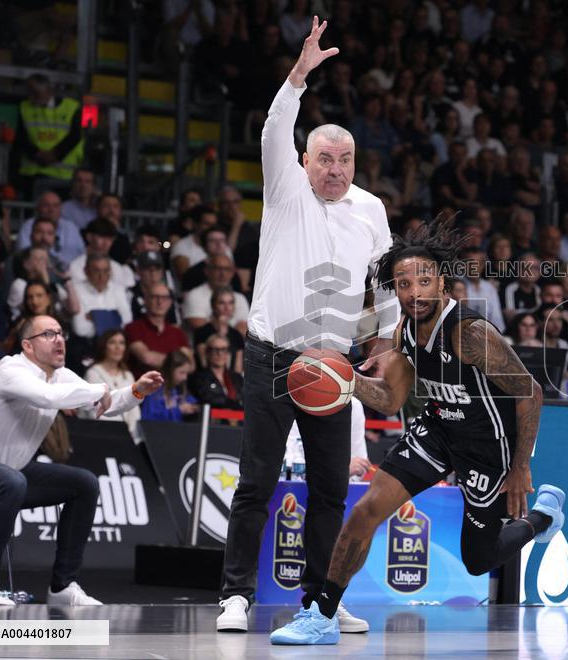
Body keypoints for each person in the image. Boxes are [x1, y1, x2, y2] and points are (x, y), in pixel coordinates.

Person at [269, 217, 565, 646]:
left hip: (488, 447)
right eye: (404, 283)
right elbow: (391, 399)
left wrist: (520, 467)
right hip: (439, 428)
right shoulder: (405, 331)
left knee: (478, 560)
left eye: (423, 280)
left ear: (442, 282)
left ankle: (542, 519)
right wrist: (345, 381)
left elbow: (531, 392)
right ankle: (322, 614)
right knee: (366, 511)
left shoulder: (470, 333)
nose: (413, 291)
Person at [216, 17, 398, 636]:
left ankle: (320, 600)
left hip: (333, 366)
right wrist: (298, 75)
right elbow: (273, 126)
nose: (336, 168)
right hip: (271, 357)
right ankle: (235, 596)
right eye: (325, 158)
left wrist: (391, 338)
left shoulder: (370, 209)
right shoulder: (285, 187)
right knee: (257, 482)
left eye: (346, 159)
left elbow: (389, 280)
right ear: (304, 160)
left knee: (328, 490)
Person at [0, 315, 162, 605]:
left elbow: (105, 404)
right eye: (48, 334)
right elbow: (47, 398)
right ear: (28, 346)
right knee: (10, 481)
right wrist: (100, 389)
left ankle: (63, 587)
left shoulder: (61, 377)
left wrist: (136, 391)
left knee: (83, 484)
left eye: (61, 333)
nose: (59, 339)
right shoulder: (10, 369)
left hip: (9, 471)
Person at [15, 74, 83, 189]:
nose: (31, 98)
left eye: (35, 93)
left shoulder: (72, 107)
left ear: (49, 91)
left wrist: (55, 154)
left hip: (63, 175)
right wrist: (36, 153)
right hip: (32, 173)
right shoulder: (24, 107)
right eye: (29, 93)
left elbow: (76, 136)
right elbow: (20, 138)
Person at [78, 329, 142, 443]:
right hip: (100, 436)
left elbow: (134, 408)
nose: (118, 347)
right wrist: (116, 433)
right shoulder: (93, 373)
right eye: (112, 342)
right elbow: (95, 411)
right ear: (104, 347)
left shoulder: (128, 375)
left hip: (128, 437)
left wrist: (132, 434)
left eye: (121, 343)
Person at [124, 282, 191, 378]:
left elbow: (191, 365)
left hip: (174, 389)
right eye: (155, 297)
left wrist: (164, 361)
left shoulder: (177, 332)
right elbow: (146, 358)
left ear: (170, 302)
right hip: (144, 389)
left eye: (164, 298)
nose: (160, 302)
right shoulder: (133, 328)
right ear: (145, 300)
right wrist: (178, 362)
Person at [140, 349, 198, 422]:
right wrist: (179, 410)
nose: (185, 378)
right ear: (170, 370)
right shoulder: (154, 391)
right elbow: (148, 418)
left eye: (186, 373)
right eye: (181, 372)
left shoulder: (181, 390)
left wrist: (194, 408)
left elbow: (192, 402)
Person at [189, 334, 243, 409]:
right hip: (212, 419)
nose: (219, 354)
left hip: (239, 419)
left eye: (223, 349)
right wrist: (235, 405)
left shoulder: (237, 378)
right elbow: (208, 398)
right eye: (215, 349)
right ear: (207, 352)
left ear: (228, 353)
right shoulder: (198, 378)